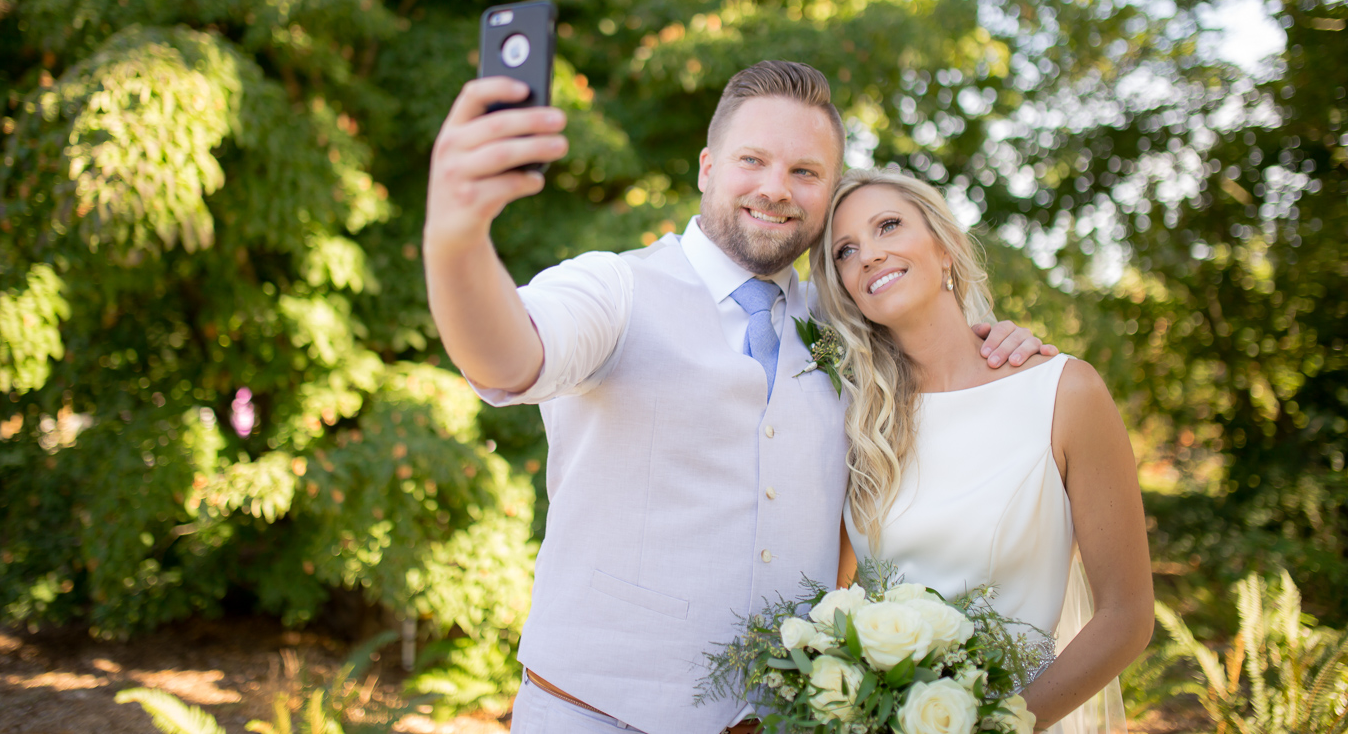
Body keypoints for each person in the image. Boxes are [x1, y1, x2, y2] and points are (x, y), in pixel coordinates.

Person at [423, 61, 1055, 734]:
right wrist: (456, 238)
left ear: (828, 192)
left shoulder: (847, 326)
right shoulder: (615, 289)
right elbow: (508, 352)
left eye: (806, 173)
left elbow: (942, 373)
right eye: (752, 159)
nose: (775, 188)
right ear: (707, 168)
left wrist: (996, 344)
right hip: (593, 714)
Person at [816, 168, 1155, 734]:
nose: (868, 255)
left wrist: (998, 724)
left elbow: (1127, 616)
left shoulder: (1064, 392)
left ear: (945, 247)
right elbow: (832, 590)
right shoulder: (855, 418)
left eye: (889, 226)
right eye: (845, 251)